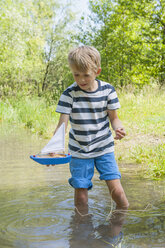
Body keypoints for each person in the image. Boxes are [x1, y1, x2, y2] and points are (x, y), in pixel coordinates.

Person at [54, 45, 129, 214]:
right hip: (79, 151)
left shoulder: (108, 90)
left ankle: (123, 218)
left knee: (117, 191)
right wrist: (55, 148)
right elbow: (62, 126)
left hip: (104, 149)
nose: (81, 80)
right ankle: (81, 232)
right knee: (81, 195)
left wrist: (119, 128)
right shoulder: (69, 94)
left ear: (97, 71)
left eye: (86, 75)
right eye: (76, 75)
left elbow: (114, 118)